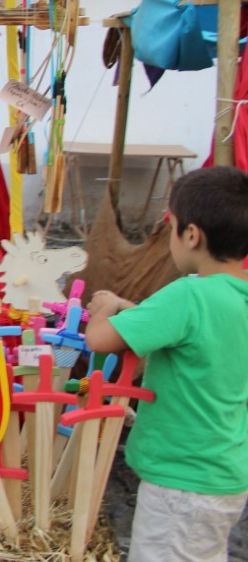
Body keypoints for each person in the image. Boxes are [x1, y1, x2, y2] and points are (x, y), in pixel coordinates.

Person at [86, 165, 248, 562]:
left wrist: (105, 307)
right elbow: (193, 336)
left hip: (181, 486)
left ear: (191, 235)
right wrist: (131, 310)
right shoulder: (238, 297)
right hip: (223, 475)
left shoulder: (188, 295)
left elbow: (100, 339)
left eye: (168, 226)